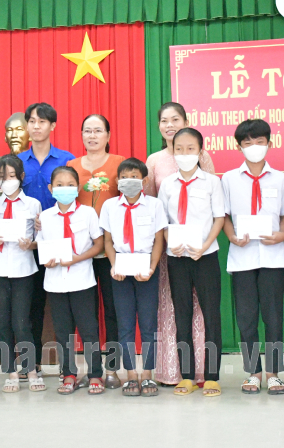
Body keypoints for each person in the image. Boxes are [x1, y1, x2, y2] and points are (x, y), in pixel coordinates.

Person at [145, 102, 215, 386]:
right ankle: (174, 371)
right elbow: (153, 207)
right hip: (170, 250)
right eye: (164, 120)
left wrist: (204, 243)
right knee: (175, 308)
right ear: (159, 126)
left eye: (175, 119)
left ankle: (204, 372)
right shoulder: (154, 160)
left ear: (186, 121)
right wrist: (163, 242)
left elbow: (212, 205)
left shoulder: (203, 157)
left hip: (200, 250)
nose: (170, 125)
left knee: (202, 309)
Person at [221, 119, 284, 395]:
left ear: (269, 144)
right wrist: (232, 237)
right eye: (247, 143)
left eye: (259, 142)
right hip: (242, 257)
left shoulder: (281, 179)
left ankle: (273, 374)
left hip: (272, 257)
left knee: (274, 318)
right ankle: (253, 372)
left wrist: (282, 234)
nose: (254, 147)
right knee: (246, 318)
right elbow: (224, 216)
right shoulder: (228, 179)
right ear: (239, 147)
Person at [159, 128, 225, 397]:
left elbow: (219, 218)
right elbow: (163, 221)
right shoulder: (167, 184)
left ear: (200, 151)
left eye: (190, 148)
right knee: (182, 315)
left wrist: (205, 246)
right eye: (179, 149)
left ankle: (212, 377)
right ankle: (186, 376)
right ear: (173, 151)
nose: (184, 153)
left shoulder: (212, 182)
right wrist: (169, 242)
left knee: (211, 315)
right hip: (177, 257)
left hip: (205, 256)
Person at [67, 114, 125, 389]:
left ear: (108, 136)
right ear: (81, 135)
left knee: (113, 311)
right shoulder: (71, 166)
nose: (92, 136)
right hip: (82, 252)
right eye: (87, 131)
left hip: (112, 250)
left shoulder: (119, 163)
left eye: (98, 131)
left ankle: (112, 369)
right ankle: (92, 370)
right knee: (85, 314)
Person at [100, 158, 167, 397]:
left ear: (144, 181)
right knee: (125, 324)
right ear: (117, 181)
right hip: (120, 270)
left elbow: (159, 240)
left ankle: (147, 373)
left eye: (134, 177)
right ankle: (130, 374)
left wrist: (152, 267)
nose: (129, 181)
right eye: (124, 177)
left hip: (146, 269)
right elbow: (108, 241)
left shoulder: (155, 205)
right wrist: (114, 266)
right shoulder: (109, 206)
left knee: (148, 324)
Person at [18, 102, 75, 380]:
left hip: (61, 244)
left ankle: (69, 368)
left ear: (52, 126)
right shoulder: (18, 162)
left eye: (42, 121)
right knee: (31, 306)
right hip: (27, 246)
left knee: (65, 307)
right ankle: (32, 364)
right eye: (32, 121)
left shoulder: (67, 159)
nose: (36, 126)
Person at [35, 166, 105, 395]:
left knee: (89, 330)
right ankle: (68, 374)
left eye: (70, 185)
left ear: (77, 188)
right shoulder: (45, 217)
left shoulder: (88, 213)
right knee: (63, 332)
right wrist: (47, 260)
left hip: (82, 280)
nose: (64, 189)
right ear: (50, 188)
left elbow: (98, 244)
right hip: (55, 282)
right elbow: (42, 246)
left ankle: (95, 374)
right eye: (59, 185)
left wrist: (77, 258)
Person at [0, 154, 45, 393]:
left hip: (24, 269)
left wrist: (31, 244)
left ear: (21, 177)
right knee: (2, 322)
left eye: (11, 176)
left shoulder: (33, 204)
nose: (7, 181)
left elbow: (40, 239)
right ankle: (10, 372)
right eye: (2, 177)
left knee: (22, 322)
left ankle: (30, 370)